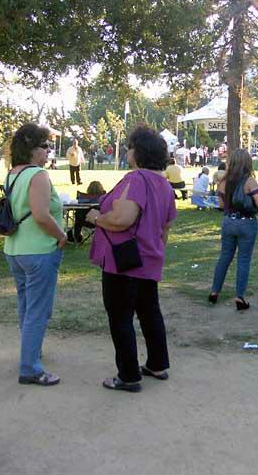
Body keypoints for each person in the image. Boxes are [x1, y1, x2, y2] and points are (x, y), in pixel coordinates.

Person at [87, 125, 177, 393]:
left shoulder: (136, 179)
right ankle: (157, 364)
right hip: (149, 259)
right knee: (150, 313)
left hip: (124, 261)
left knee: (120, 317)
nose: (127, 151)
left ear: (138, 151)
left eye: (130, 146)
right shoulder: (164, 184)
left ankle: (128, 375)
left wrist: (95, 218)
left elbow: (122, 220)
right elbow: (165, 229)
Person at [3, 123, 67, 386]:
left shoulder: (12, 174)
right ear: (32, 149)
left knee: (27, 305)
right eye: (45, 146)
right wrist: (61, 236)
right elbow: (41, 215)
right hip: (39, 251)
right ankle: (30, 367)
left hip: (15, 250)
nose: (48, 152)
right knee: (37, 311)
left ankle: (31, 352)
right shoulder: (38, 175)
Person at [208, 149, 258, 311]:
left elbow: (220, 205)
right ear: (247, 163)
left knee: (224, 258)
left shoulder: (223, 182)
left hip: (228, 222)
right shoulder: (249, 181)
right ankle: (239, 296)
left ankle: (214, 291)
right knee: (243, 260)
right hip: (246, 223)